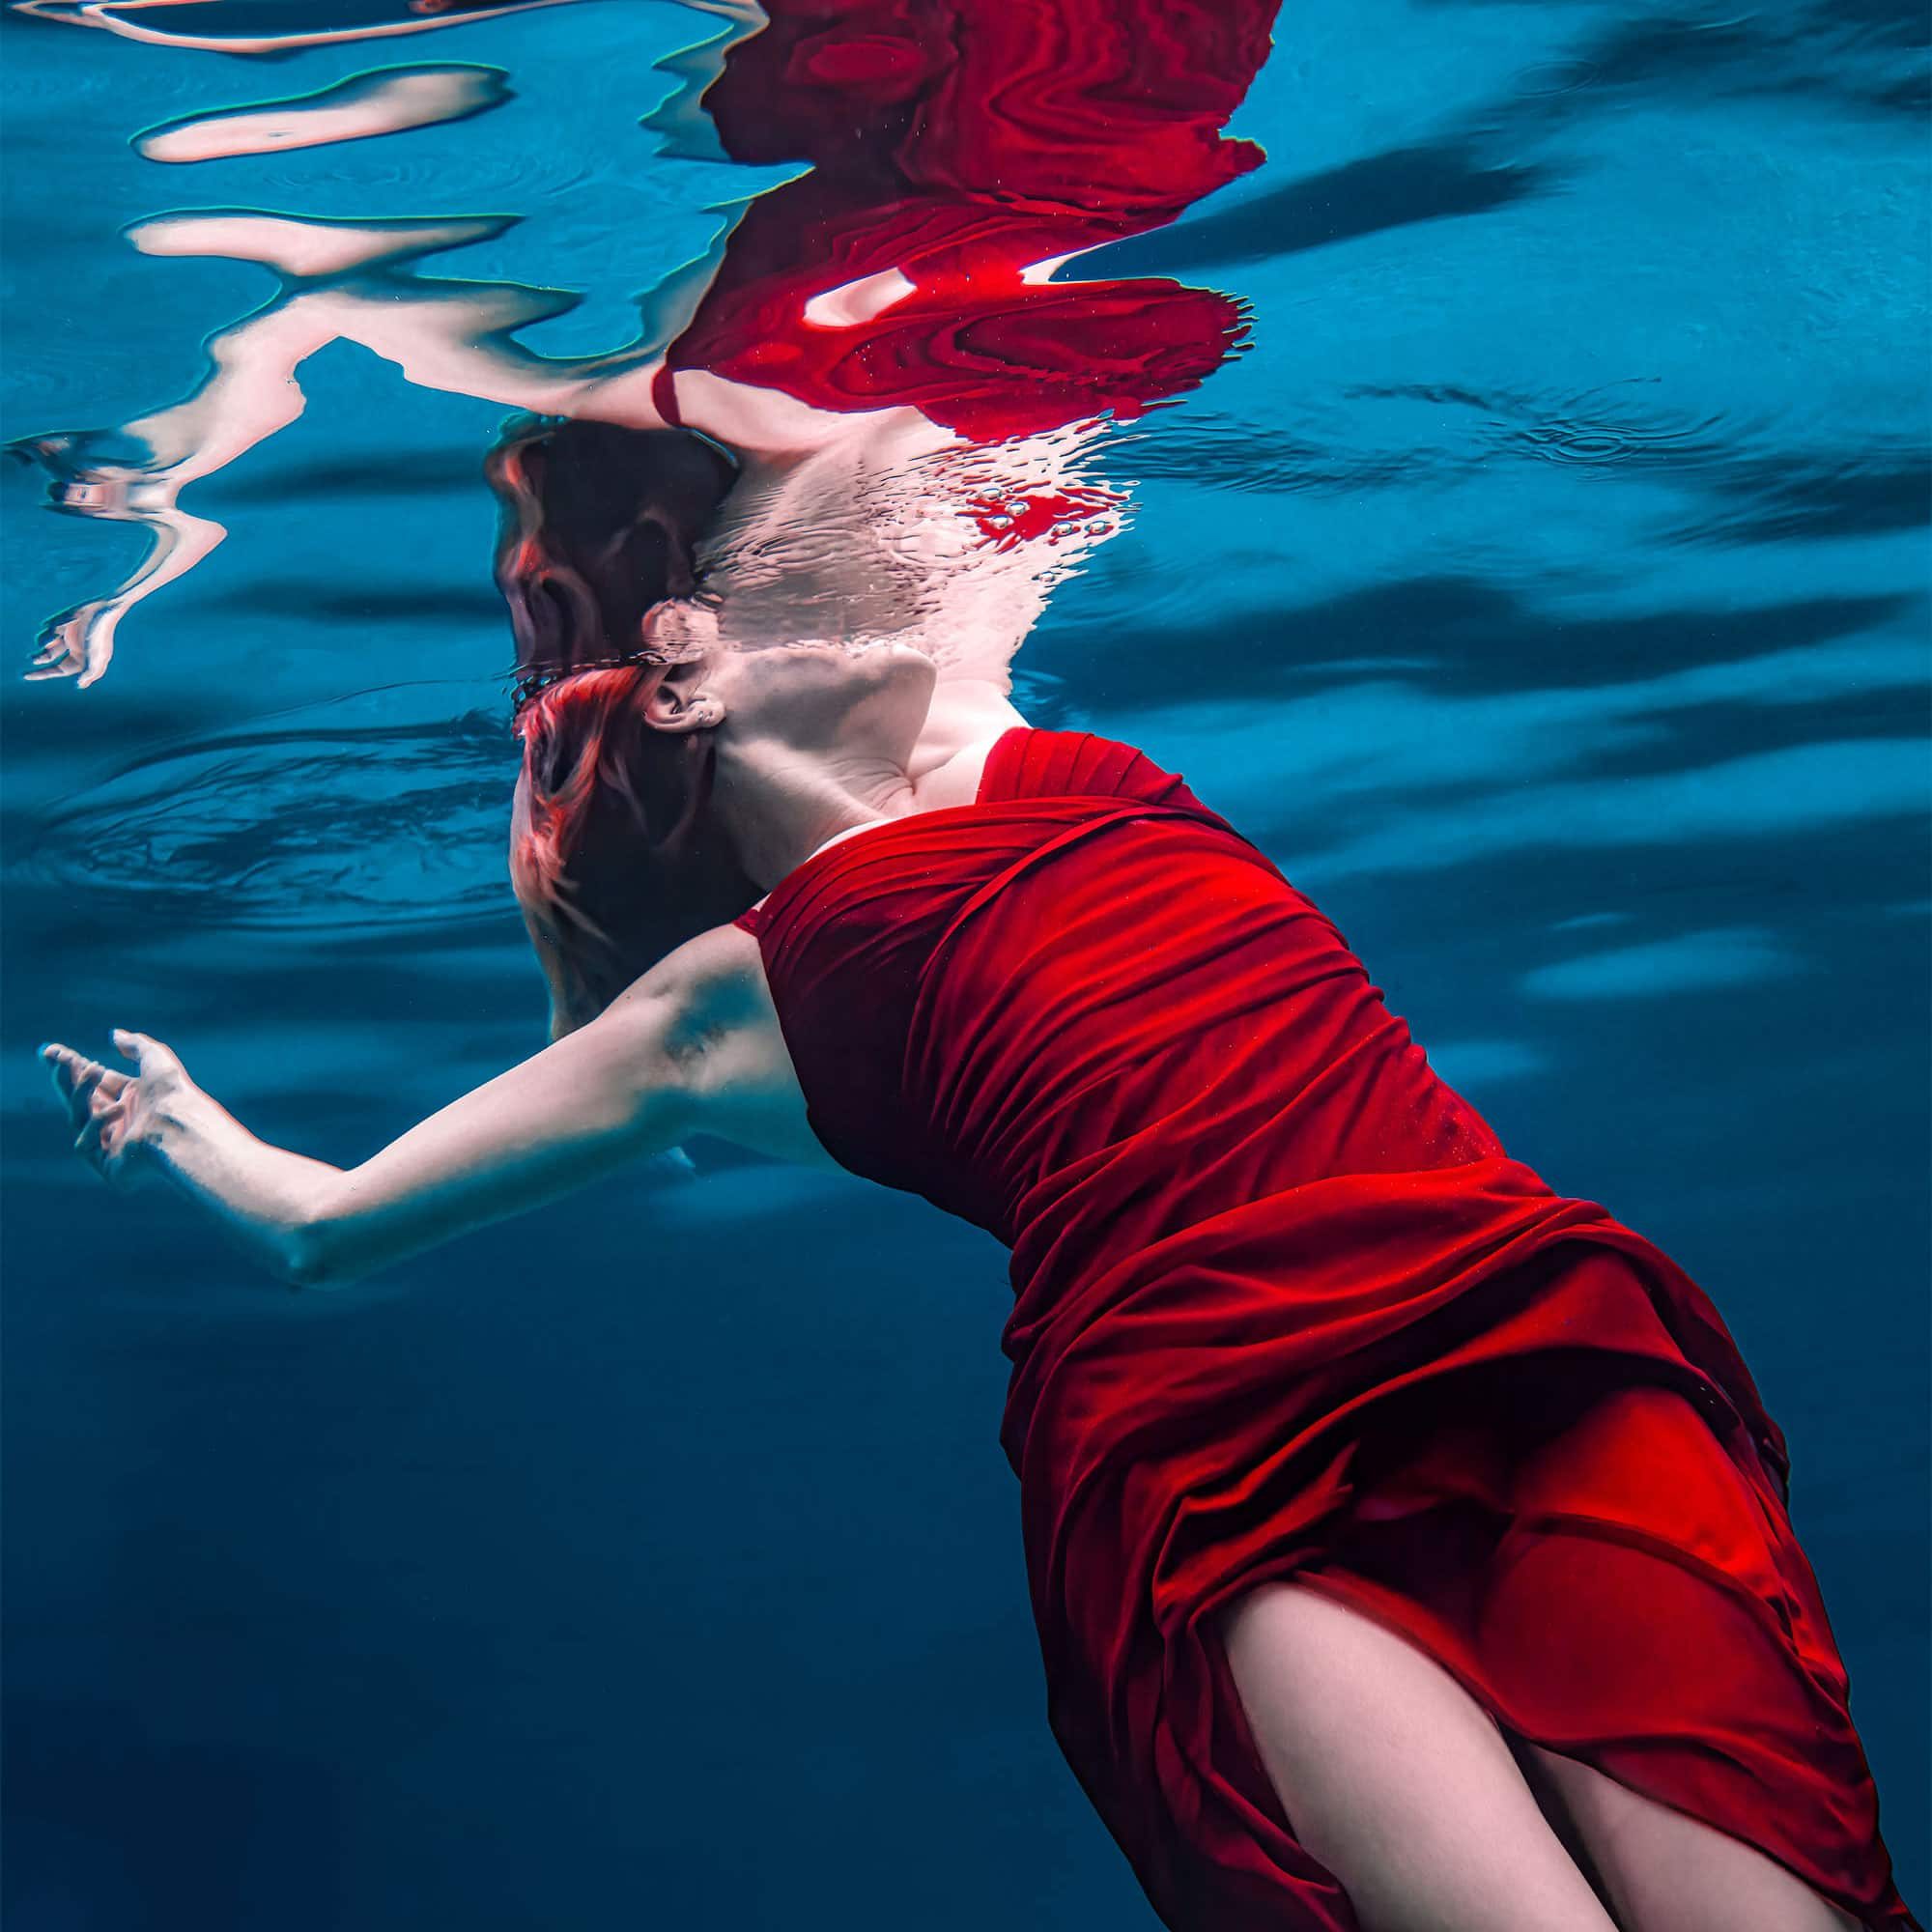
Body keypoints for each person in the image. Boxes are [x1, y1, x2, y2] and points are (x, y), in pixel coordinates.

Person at [41, 427, 1916, 1932]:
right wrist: (189, 1129)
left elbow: (806, 396)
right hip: (1210, 1456)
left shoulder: (985, 708)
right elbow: (326, 1226)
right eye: (763, 555)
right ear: (682, 668)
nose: (855, 557)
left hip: (1516, 1332)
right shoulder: (718, 1007)